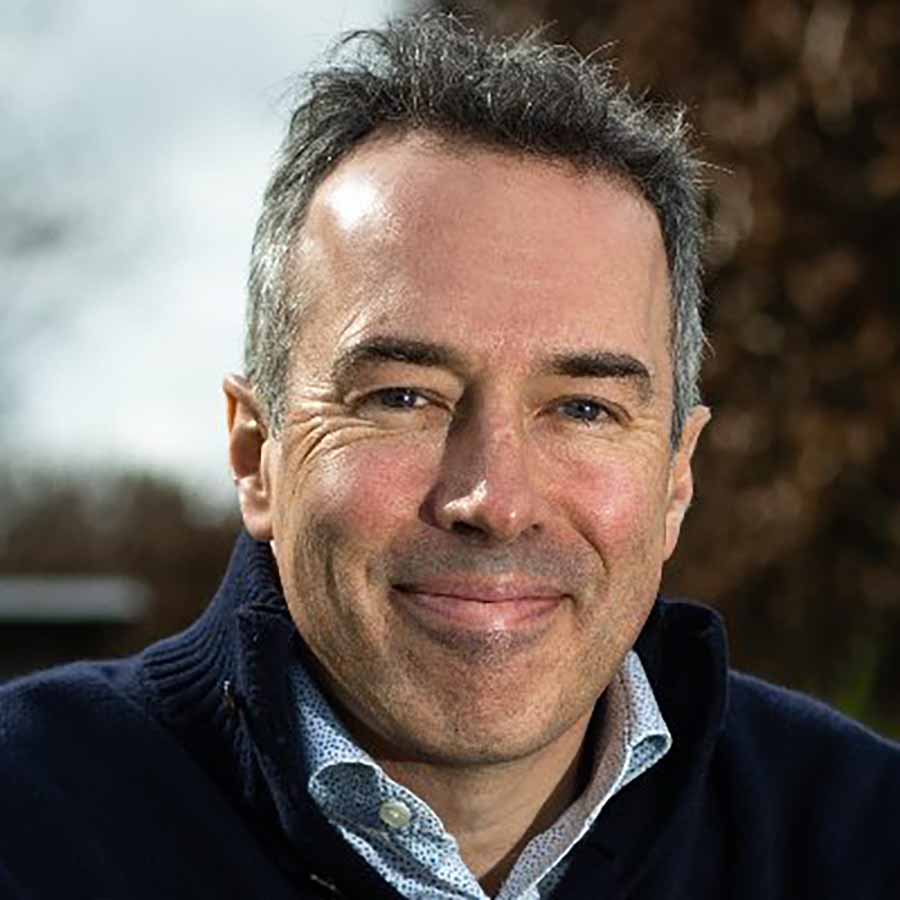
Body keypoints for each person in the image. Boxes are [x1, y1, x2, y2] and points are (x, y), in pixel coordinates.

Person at [2, 13, 898, 900]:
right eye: (404, 397)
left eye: (584, 408)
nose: (495, 501)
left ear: (676, 478)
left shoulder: (863, 837)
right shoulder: (30, 820)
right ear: (255, 454)